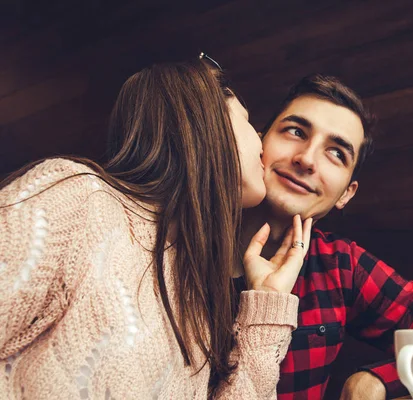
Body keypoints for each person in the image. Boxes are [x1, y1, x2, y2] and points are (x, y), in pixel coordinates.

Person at [0, 56, 312, 399]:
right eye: (248, 122)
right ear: (206, 119)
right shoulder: (78, 198)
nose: (260, 139)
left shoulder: (198, 293)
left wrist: (268, 304)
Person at [237, 74, 413, 399]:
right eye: (295, 131)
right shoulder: (177, 241)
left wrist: (378, 379)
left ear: (346, 194)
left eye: (337, 153)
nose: (307, 159)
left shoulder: (340, 265)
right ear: (258, 143)